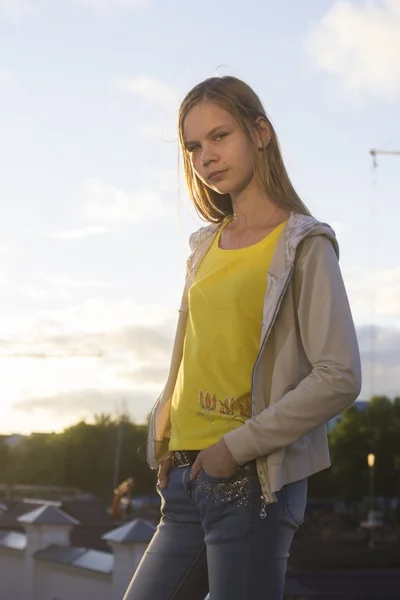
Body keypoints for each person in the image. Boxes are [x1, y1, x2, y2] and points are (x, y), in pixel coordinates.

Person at [122, 76, 361, 600]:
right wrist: (166, 431)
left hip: (254, 480)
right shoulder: (204, 246)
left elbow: (340, 376)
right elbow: (188, 354)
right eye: (194, 146)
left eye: (219, 136)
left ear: (260, 132)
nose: (206, 156)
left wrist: (235, 448)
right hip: (184, 479)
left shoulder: (304, 245)